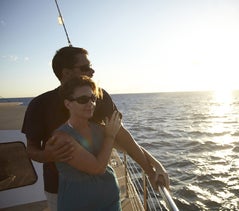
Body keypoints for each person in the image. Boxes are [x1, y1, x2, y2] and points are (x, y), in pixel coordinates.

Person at [22, 46, 169, 211]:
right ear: (66, 73)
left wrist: (151, 171)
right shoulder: (39, 104)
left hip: (105, 193)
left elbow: (121, 136)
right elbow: (31, 149)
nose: (92, 71)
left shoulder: (99, 96)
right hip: (60, 190)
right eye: (85, 68)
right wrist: (47, 155)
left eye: (91, 67)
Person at [55, 75, 122, 210]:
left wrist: (156, 165)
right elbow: (97, 168)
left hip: (111, 203)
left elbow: (127, 147)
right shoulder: (61, 137)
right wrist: (110, 136)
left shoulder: (98, 128)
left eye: (93, 98)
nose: (90, 103)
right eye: (83, 99)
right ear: (68, 104)